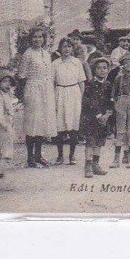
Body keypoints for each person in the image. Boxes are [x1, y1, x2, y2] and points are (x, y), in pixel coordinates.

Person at [18, 27, 57, 169]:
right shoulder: (28, 54)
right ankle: (30, 158)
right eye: (35, 37)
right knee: (32, 123)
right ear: (30, 38)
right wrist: (23, 95)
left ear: (44, 39)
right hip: (33, 89)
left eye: (40, 37)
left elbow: (49, 74)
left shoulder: (46, 54)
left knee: (42, 122)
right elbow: (21, 76)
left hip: (46, 90)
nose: (38, 39)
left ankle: (38, 155)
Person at [52, 37, 87, 165]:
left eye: (69, 46)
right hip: (60, 93)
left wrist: (80, 98)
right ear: (60, 49)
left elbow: (81, 82)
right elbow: (52, 82)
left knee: (73, 126)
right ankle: (60, 155)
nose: (67, 49)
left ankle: (72, 155)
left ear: (72, 49)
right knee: (59, 125)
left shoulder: (77, 62)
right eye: (64, 46)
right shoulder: (55, 63)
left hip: (74, 93)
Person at [80, 57, 113, 178]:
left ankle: (95, 164)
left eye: (104, 68)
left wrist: (108, 115)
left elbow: (112, 100)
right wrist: (99, 115)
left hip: (104, 118)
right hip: (91, 118)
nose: (102, 70)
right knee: (90, 141)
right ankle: (88, 164)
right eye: (99, 68)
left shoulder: (108, 85)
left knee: (99, 141)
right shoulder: (90, 84)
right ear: (94, 70)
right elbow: (89, 102)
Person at [0, 74, 20, 178]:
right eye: (4, 81)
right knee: (5, 149)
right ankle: (0, 171)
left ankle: (0, 170)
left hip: (7, 125)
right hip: (1, 126)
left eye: (9, 82)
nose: (8, 84)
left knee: (4, 148)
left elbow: (8, 109)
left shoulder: (7, 95)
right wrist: (4, 124)